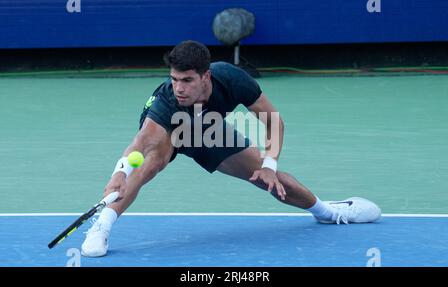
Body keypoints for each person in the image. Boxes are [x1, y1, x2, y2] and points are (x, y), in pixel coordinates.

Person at [81, 40, 381, 257]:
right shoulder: (167, 101)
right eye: (174, 80)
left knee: (265, 178)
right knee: (151, 163)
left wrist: (269, 166)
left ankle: (329, 212)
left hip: (208, 129)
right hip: (171, 131)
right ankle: (103, 225)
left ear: (206, 76)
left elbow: (274, 122)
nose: (179, 88)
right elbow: (140, 143)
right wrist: (120, 171)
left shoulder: (231, 79)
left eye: (187, 80)